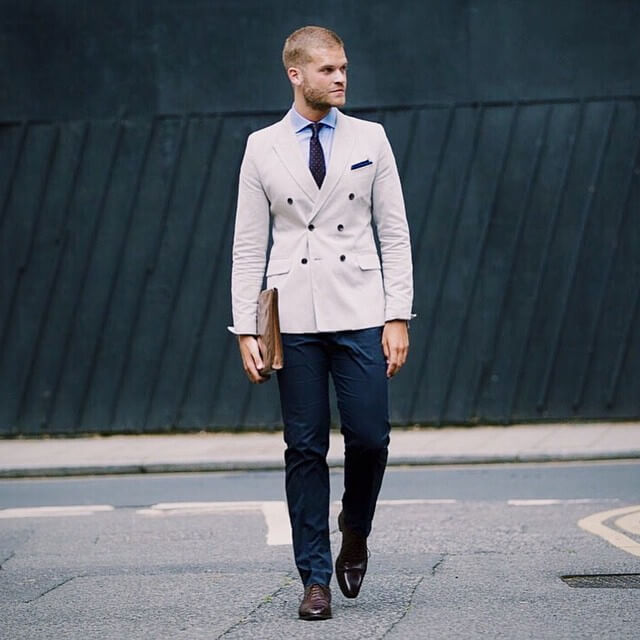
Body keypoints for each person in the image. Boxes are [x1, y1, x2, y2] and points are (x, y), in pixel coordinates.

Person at [229, 25, 414, 620]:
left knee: (370, 437)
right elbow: (247, 246)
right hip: (295, 317)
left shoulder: (372, 138)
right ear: (296, 74)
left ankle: (354, 528)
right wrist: (244, 329)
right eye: (329, 69)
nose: (340, 78)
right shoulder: (262, 147)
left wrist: (396, 315)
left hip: (360, 309)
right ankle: (314, 578)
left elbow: (395, 233)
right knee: (303, 448)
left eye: (344, 68)